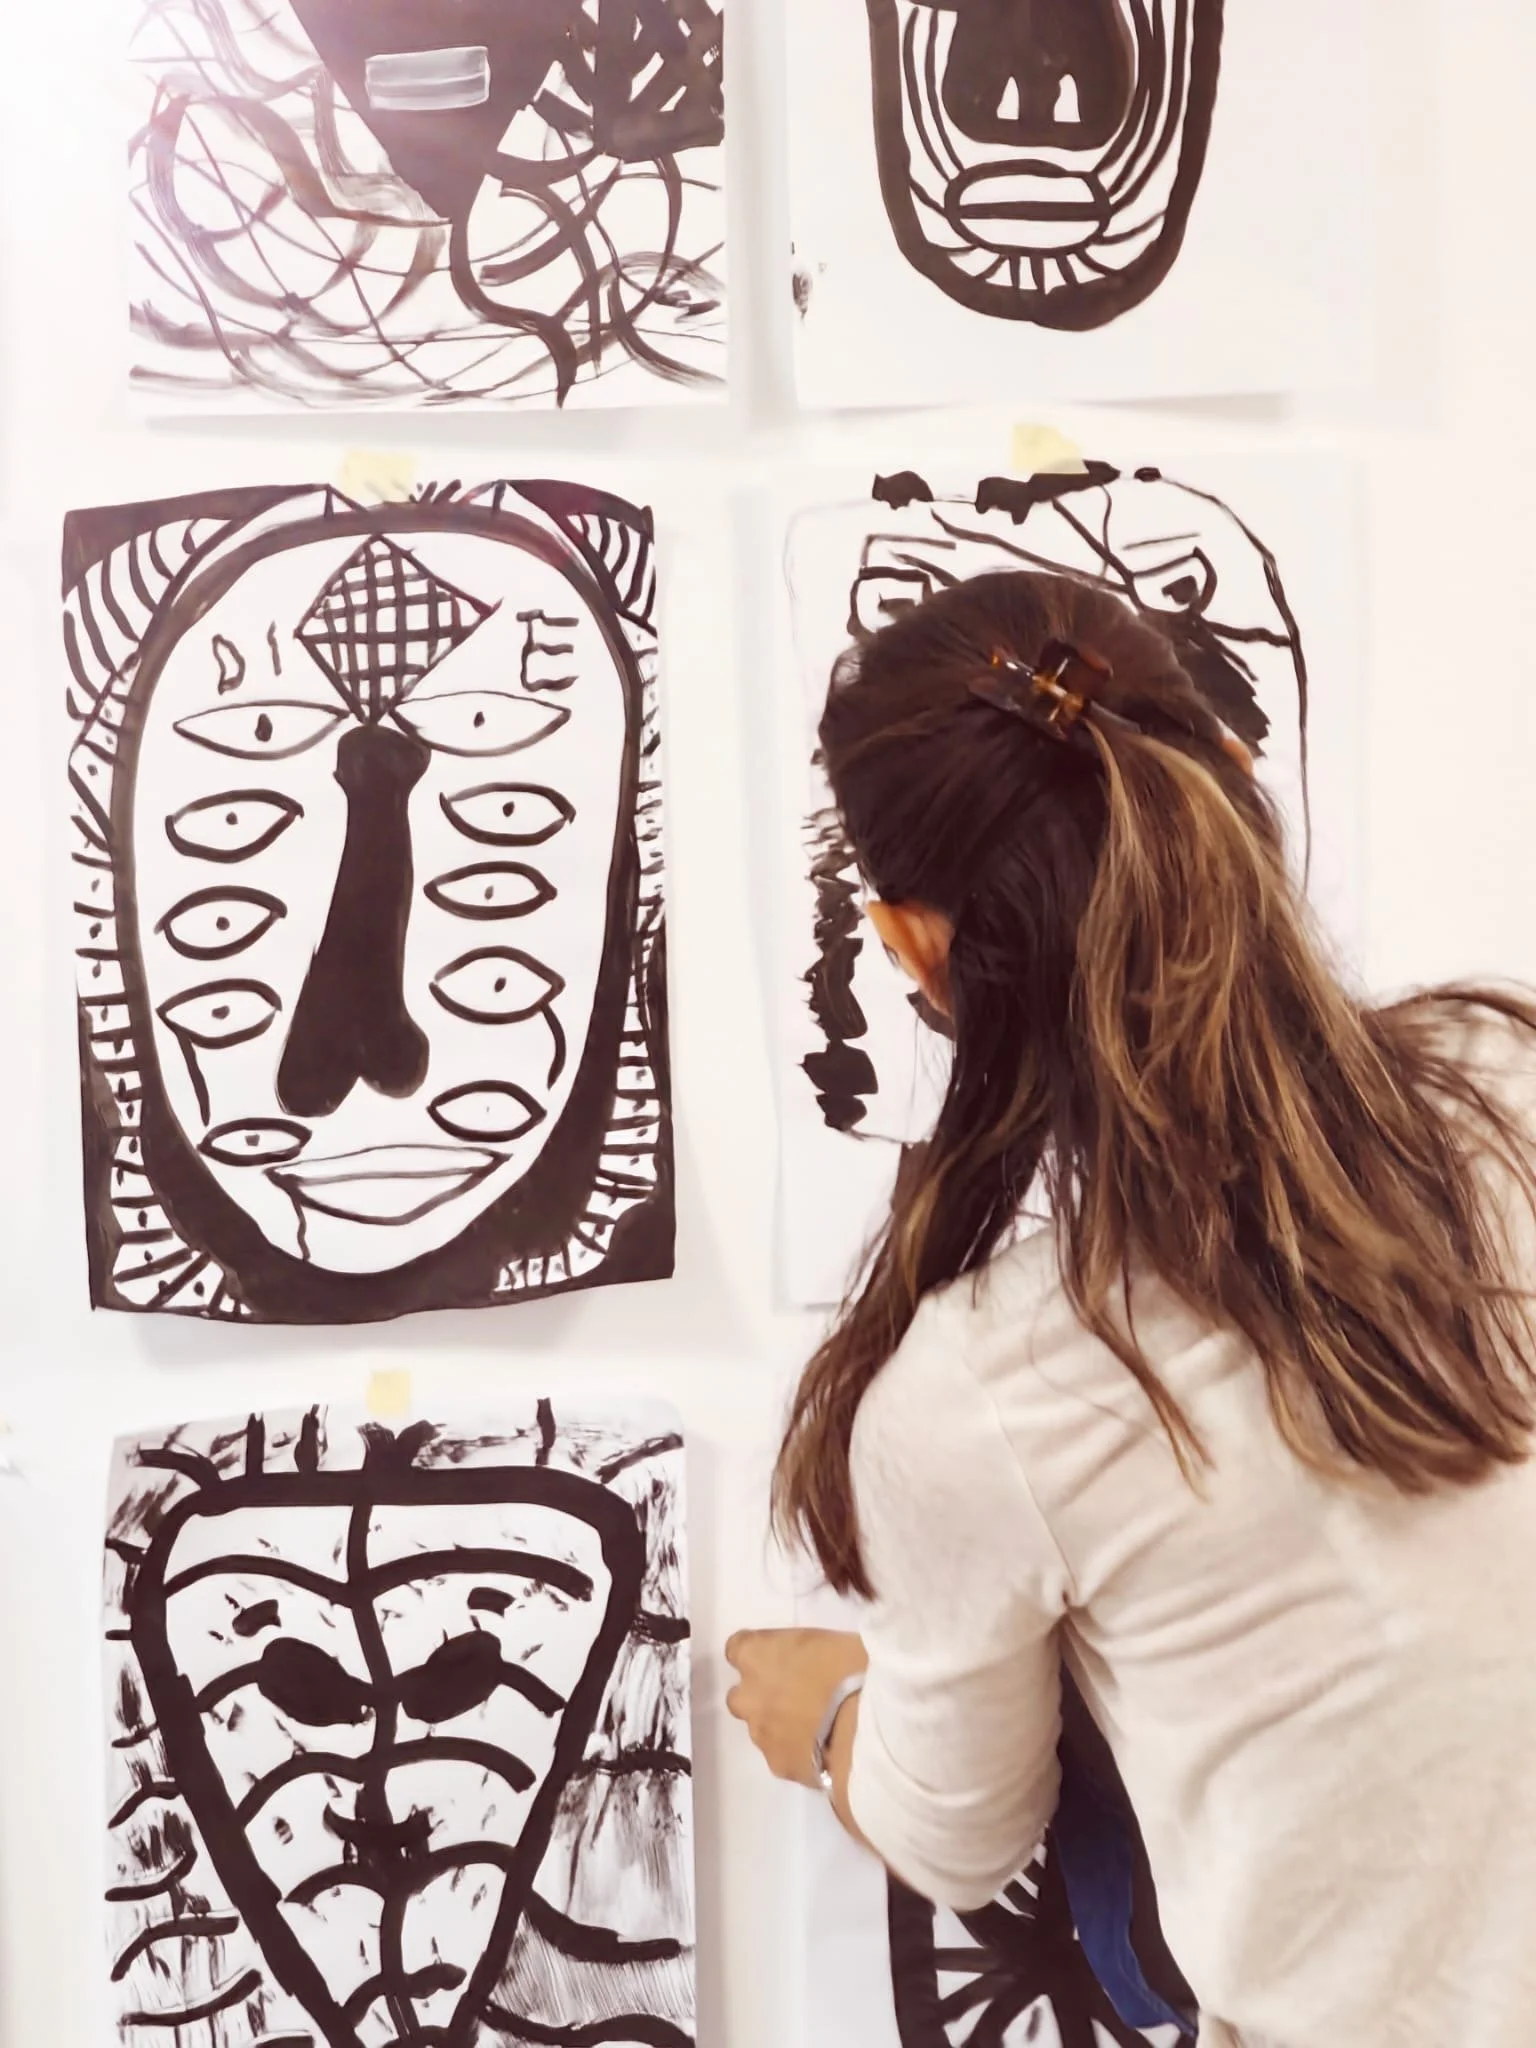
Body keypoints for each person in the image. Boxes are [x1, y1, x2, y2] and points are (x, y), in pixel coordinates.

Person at [726, 569, 1536, 2048]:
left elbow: (961, 1834)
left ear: (911, 946)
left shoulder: (984, 1389)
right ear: (1233, 771)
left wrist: (834, 1725)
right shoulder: (1508, 1079)